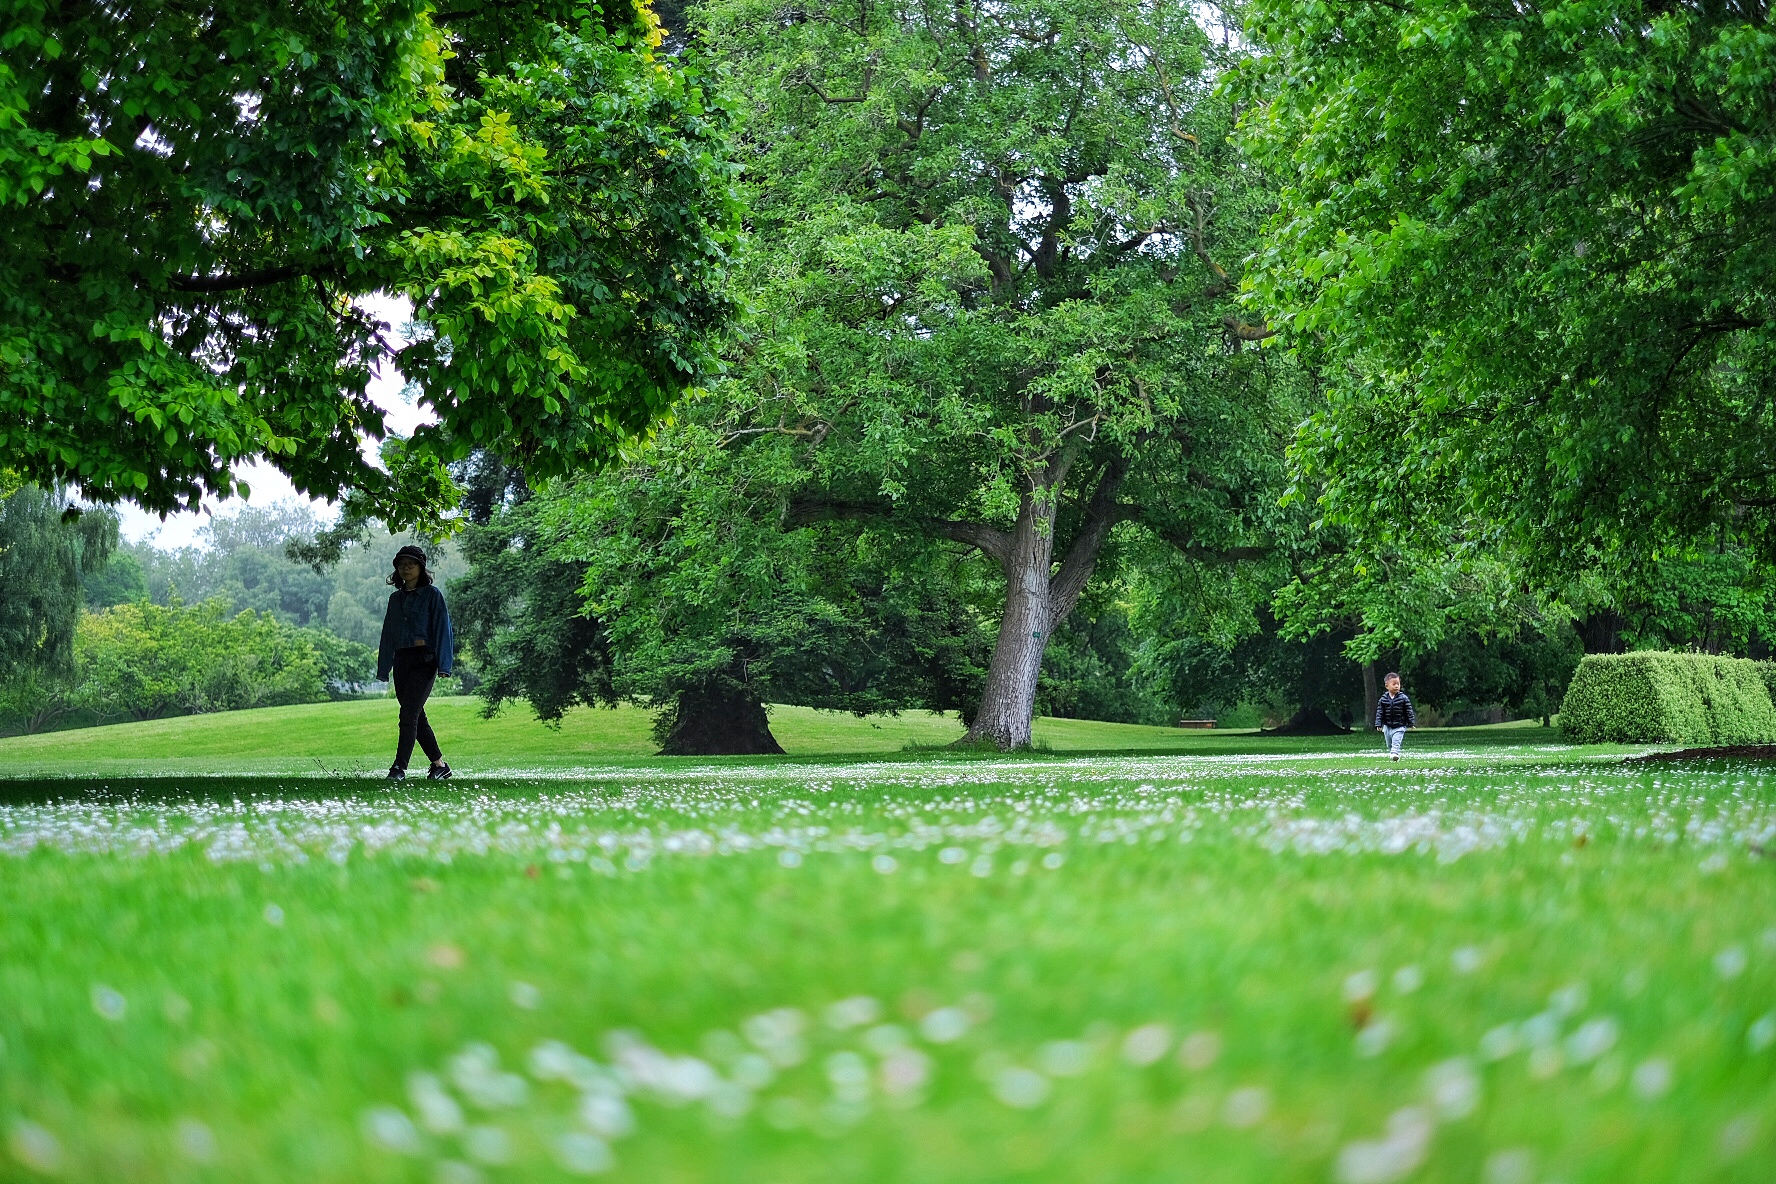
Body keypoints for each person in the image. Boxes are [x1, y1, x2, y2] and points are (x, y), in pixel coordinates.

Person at [377, 545, 455, 781]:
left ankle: (399, 768)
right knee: (416, 715)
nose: (406, 568)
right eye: (401, 564)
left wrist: (444, 665)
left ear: (421, 567)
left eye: (411, 563)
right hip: (402, 660)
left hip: (424, 660)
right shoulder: (395, 599)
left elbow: (443, 629)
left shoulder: (433, 595)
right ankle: (440, 766)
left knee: (408, 714)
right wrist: (383, 668)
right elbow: (387, 633)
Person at [1373, 672, 1416, 761]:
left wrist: (1411, 723)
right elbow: (1379, 712)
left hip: (1400, 725)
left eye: (1398, 684)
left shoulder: (1404, 698)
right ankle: (1393, 754)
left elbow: (1409, 711)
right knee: (1389, 744)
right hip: (1387, 726)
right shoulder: (1383, 699)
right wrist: (1378, 724)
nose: (1396, 686)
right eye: (1394, 684)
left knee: (1396, 741)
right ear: (1387, 686)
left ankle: (1395, 753)